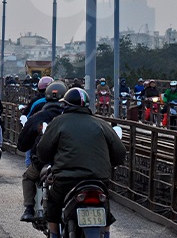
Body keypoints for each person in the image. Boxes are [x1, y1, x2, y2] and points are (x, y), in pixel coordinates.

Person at [38, 88, 126, 238]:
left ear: (65, 105)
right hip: (99, 179)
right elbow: (120, 153)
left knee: (53, 203)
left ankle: (53, 234)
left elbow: (43, 151)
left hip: (67, 180)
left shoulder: (58, 122)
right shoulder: (101, 124)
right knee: (104, 205)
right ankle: (106, 234)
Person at [16, 81, 67, 222]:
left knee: (28, 177)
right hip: (70, 161)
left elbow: (22, 144)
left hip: (43, 161)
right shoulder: (71, 117)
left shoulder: (38, 117)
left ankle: (28, 209)